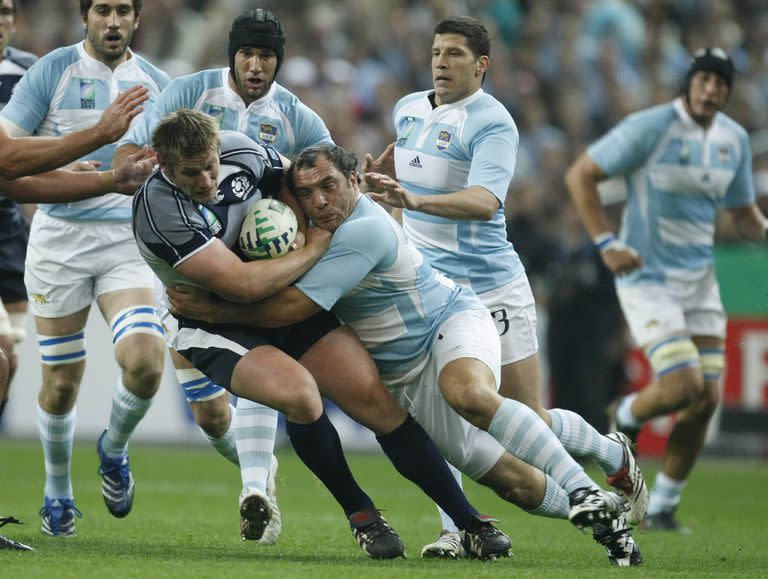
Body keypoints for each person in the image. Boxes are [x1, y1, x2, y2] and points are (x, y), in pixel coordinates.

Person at [168, 143, 642, 566]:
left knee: (470, 394)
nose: (319, 201)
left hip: (450, 323)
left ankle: (581, 488)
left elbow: (289, 310)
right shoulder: (310, 224)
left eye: (329, 186)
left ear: (353, 181)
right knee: (513, 483)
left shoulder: (361, 231)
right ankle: (607, 512)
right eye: (307, 192)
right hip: (407, 375)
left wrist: (212, 307)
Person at [134, 108, 512, 560]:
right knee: (300, 395)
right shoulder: (158, 211)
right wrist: (312, 246)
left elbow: (289, 179)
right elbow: (240, 285)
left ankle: (469, 521)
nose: (206, 180)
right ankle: (362, 515)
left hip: (277, 298)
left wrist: (292, 225)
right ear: (164, 166)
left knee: (376, 400)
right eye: (191, 174)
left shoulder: (239, 148)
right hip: (210, 319)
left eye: (210, 165)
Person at [364, 15, 645, 560]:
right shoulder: (409, 108)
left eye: (454, 54)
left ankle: (612, 455)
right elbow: (402, 155)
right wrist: (374, 175)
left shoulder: (494, 123)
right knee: (439, 410)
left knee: (526, 418)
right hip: (429, 285)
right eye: (436, 52)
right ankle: (457, 526)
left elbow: (485, 202)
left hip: (491, 288)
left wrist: (413, 201)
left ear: (482, 64)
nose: (441, 62)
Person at [113, 9, 334, 544]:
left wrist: (305, 230)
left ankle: (255, 486)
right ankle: (117, 445)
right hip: (194, 265)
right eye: (247, 55)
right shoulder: (189, 93)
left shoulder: (297, 115)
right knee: (211, 417)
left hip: (259, 268)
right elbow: (129, 155)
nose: (256, 66)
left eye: (267, 57)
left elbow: (324, 180)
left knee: (262, 360)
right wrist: (138, 169)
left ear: (279, 61)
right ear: (232, 56)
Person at [566, 47, 768, 533]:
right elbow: (582, 174)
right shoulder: (651, 127)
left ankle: (662, 508)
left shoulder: (734, 140)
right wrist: (606, 241)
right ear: (688, 83)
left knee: (706, 400)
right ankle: (626, 413)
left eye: (721, 82)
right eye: (703, 79)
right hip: (647, 276)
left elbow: (743, 214)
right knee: (684, 385)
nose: (711, 89)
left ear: (728, 91)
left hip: (700, 282)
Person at [0, 0, 170, 537]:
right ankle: (57, 492)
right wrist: (99, 135)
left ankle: (113, 448)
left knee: (145, 360)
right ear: (85, 16)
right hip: (60, 242)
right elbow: (5, 157)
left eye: (123, 10)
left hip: (128, 238)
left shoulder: (158, 84)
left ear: (137, 19)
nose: (113, 21)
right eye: (103, 9)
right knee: (61, 384)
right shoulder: (50, 70)